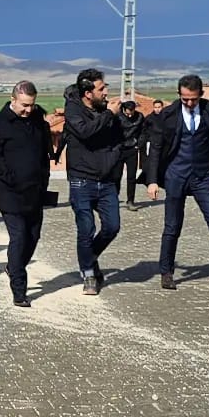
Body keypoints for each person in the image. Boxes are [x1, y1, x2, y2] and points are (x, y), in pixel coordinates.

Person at [145, 74, 209, 295]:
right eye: (185, 99)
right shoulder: (169, 115)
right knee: (172, 225)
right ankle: (166, 271)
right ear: (179, 95)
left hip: (203, 176)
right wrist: (152, 181)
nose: (189, 103)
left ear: (201, 94)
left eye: (193, 99)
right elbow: (156, 149)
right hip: (175, 175)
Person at [0, 80, 54, 307]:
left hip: (35, 192)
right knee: (19, 236)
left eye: (32, 105)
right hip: (10, 192)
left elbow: (45, 154)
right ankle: (19, 289)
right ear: (13, 99)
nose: (28, 110)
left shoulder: (37, 122)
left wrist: (44, 180)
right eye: (24, 105)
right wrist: (11, 177)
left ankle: (13, 266)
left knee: (33, 238)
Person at [62, 68, 123, 295]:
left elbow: (118, 138)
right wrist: (110, 115)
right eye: (102, 88)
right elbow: (86, 132)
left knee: (112, 226)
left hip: (106, 181)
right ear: (88, 93)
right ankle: (88, 272)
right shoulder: (73, 110)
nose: (106, 91)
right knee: (86, 229)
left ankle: (89, 255)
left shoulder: (104, 111)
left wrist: (114, 159)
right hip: (81, 181)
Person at [118, 100, 146, 211]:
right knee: (116, 176)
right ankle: (113, 200)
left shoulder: (139, 117)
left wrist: (138, 145)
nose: (129, 115)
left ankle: (130, 201)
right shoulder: (117, 117)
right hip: (119, 150)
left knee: (131, 177)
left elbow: (143, 132)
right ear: (123, 110)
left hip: (132, 149)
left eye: (131, 112)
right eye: (127, 113)